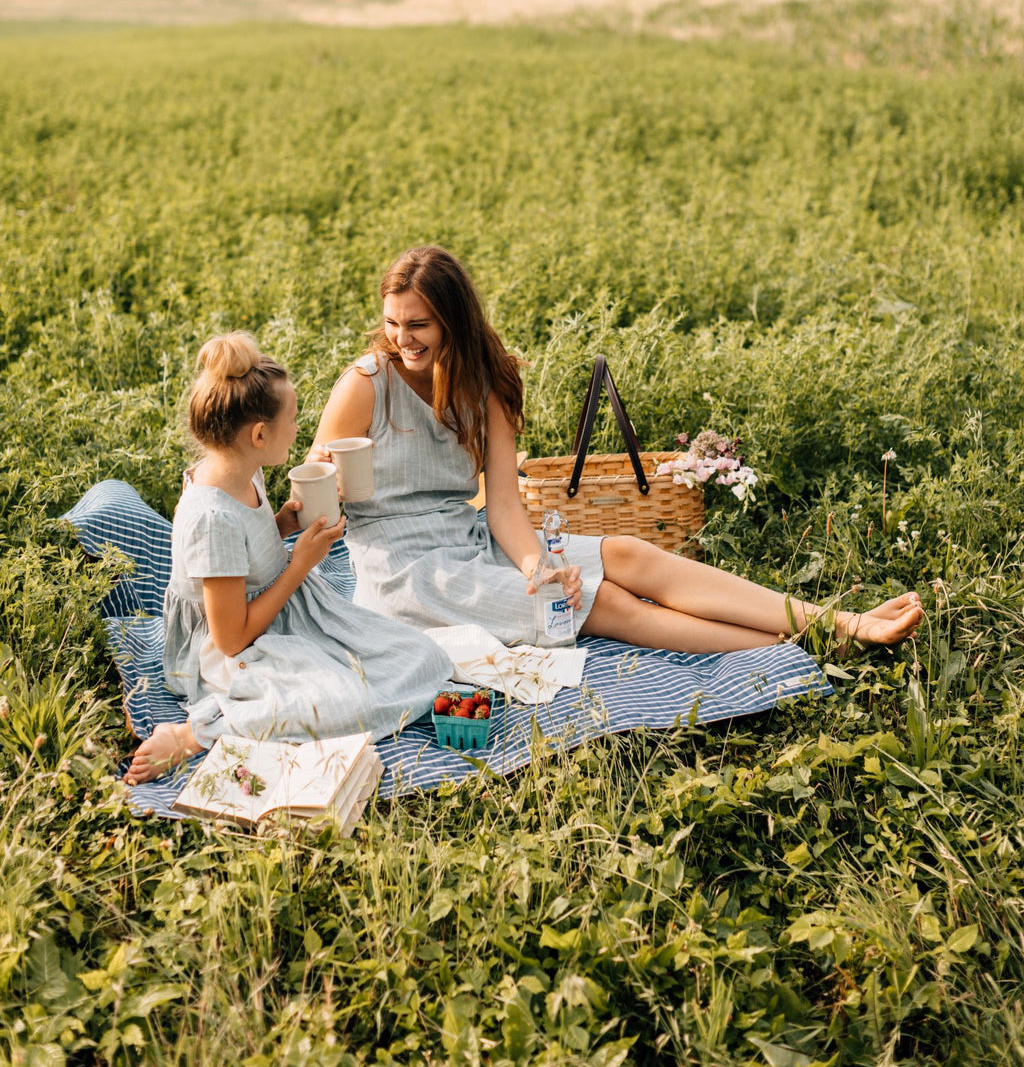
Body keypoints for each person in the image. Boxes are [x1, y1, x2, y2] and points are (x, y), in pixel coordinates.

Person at [311, 245, 924, 655]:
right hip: (406, 573)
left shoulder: (483, 386)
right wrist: (319, 498)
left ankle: (838, 618)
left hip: (469, 539)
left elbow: (501, 505)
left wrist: (533, 565)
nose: (401, 338)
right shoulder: (366, 384)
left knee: (629, 551)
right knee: (602, 600)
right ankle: (815, 644)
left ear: (452, 320)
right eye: (392, 322)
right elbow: (313, 482)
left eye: (416, 324)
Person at [125, 332, 451, 782]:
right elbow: (231, 639)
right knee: (345, 703)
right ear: (259, 434)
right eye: (293, 419)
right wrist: (300, 563)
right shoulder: (209, 516)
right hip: (236, 647)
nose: (299, 429)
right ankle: (195, 734)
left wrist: (280, 527)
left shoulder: (243, 467)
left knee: (423, 656)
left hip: (285, 610)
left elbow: (246, 547)